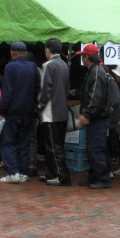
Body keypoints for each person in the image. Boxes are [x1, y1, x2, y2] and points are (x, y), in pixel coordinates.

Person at [0, 42, 41, 183]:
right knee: (24, 143)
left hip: (12, 112)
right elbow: (37, 89)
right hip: (28, 112)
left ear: (12, 53)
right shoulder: (33, 67)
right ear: (25, 52)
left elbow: (7, 92)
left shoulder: (10, 67)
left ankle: (12, 172)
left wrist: (2, 111)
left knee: (8, 142)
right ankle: (23, 172)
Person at [77, 43, 113, 189]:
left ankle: (103, 178)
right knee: (93, 148)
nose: (82, 59)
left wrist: (87, 113)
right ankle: (94, 176)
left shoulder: (97, 72)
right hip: (97, 118)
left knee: (96, 148)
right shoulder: (95, 71)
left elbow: (95, 97)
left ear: (87, 57)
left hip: (98, 118)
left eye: (83, 56)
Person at [38, 38, 71, 186]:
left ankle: (61, 176)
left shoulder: (48, 65)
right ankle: (50, 173)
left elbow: (45, 90)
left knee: (52, 147)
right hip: (62, 111)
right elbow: (66, 88)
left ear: (47, 49)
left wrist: (39, 106)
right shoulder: (64, 65)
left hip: (50, 112)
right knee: (56, 145)